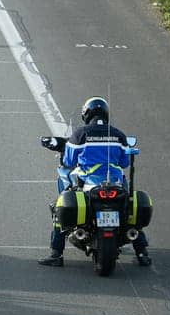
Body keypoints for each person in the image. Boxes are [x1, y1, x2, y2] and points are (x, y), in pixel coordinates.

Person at [39, 97, 151, 267]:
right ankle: (142, 253)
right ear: (106, 114)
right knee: (130, 213)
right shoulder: (118, 135)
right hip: (116, 184)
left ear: (86, 114)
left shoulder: (80, 134)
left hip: (89, 185)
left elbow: (69, 161)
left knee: (57, 208)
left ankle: (56, 254)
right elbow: (125, 163)